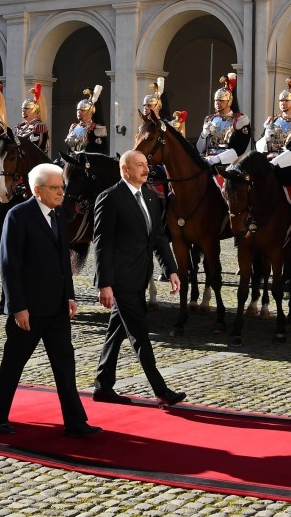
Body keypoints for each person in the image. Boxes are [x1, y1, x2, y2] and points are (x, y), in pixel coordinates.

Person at [0, 163, 100, 438]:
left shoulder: (59, 214)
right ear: (37, 190)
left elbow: (65, 259)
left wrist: (69, 295)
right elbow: (9, 264)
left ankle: (74, 421)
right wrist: (17, 306)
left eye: (62, 187)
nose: (61, 192)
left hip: (57, 307)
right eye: (55, 188)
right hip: (29, 309)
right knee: (14, 363)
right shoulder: (18, 216)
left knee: (65, 365)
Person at [91, 150, 186, 408]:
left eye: (147, 164)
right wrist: (105, 283)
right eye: (140, 165)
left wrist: (171, 270)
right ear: (125, 170)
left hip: (140, 277)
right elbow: (102, 244)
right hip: (120, 281)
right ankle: (161, 390)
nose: (146, 169)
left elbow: (157, 236)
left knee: (115, 332)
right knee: (140, 335)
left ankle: (103, 386)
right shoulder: (109, 198)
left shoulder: (151, 196)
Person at [197, 73, 252, 166]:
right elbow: (199, 149)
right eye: (216, 101)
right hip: (207, 161)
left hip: (228, 164)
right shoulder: (209, 119)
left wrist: (217, 158)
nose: (218, 103)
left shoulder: (240, 120)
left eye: (221, 101)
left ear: (229, 102)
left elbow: (239, 149)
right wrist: (203, 135)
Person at [65, 85, 109, 154]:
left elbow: (100, 151)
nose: (79, 112)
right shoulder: (73, 127)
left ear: (91, 112)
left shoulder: (97, 129)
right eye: (78, 110)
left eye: (83, 110)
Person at [14, 83, 50, 153]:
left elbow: (37, 148)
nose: (23, 111)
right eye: (23, 108)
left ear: (35, 110)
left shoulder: (39, 126)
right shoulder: (20, 126)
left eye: (27, 108)